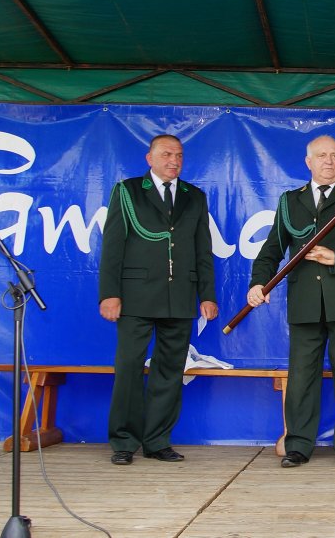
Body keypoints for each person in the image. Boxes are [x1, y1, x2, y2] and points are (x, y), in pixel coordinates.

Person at [248, 134, 335, 471]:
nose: (329, 161)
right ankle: (298, 445)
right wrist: (258, 283)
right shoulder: (289, 201)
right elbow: (272, 251)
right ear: (308, 162)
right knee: (303, 376)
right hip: (305, 302)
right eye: (321, 156)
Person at [99, 134, 218, 465]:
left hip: (179, 297)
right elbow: (112, 248)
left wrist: (206, 295)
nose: (174, 160)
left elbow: (202, 250)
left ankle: (157, 441)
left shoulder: (195, 196)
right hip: (135, 296)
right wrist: (110, 294)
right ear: (149, 158)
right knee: (129, 369)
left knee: (170, 371)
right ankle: (123, 442)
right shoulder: (128, 191)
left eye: (179, 155)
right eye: (166, 154)